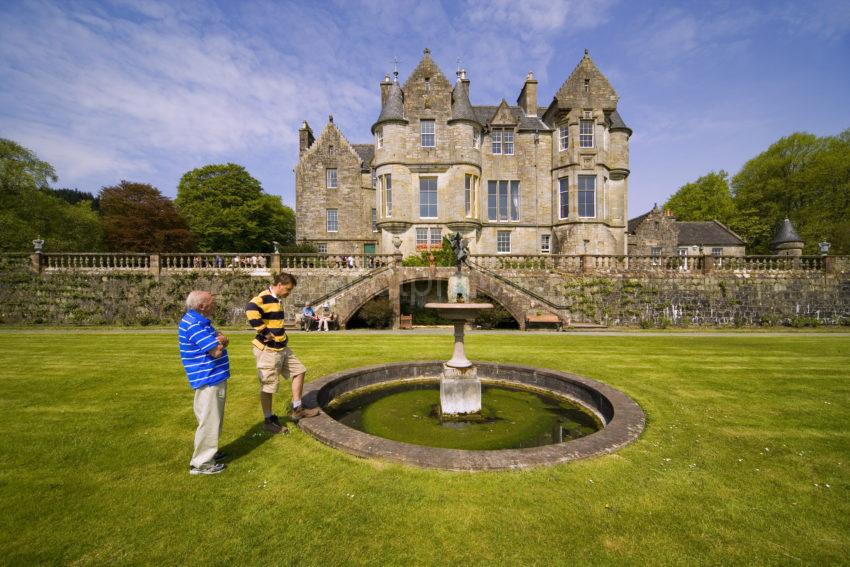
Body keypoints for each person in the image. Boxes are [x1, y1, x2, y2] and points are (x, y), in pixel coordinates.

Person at [245, 273, 319, 434]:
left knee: (299, 371)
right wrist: (264, 332)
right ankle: (268, 420)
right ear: (279, 285)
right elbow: (250, 309)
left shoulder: (276, 299)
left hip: (281, 347)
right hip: (268, 350)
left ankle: (297, 409)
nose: (288, 293)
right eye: (288, 290)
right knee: (269, 386)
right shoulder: (264, 297)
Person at [178, 290, 230, 475]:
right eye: (211, 302)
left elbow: (218, 339)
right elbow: (216, 350)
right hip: (209, 377)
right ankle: (202, 463)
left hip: (211, 376)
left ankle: (210, 453)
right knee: (210, 419)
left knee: (210, 418)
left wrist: (220, 339)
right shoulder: (194, 324)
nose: (215, 304)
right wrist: (223, 340)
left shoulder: (199, 321)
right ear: (201, 306)